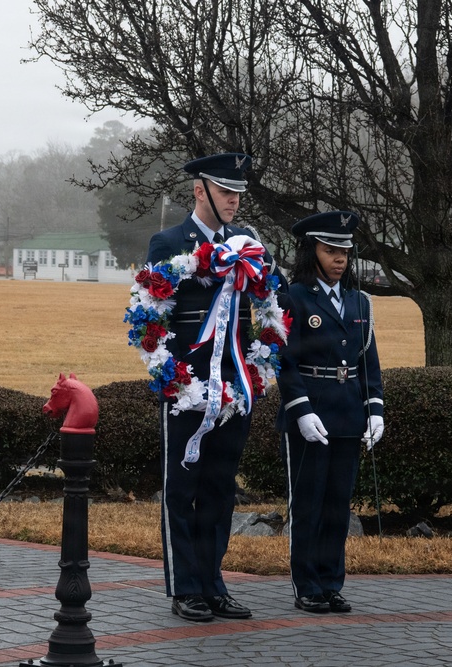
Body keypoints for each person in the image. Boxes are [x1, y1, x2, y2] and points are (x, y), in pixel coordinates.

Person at [143, 152, 285, 623]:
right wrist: (172, 377)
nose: (234, 200)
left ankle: (213, 582)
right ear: (199, 190)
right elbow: (153, 315)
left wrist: (257, 368)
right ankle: (185, 587)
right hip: (186, 386)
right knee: (182, 487)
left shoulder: (246, 247)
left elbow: (267, 306)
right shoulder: (168, 243)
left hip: (234, 387)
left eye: (239, 192)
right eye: (225, 190)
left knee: (221, 489)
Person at [275, 210, 384, 614]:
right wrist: (300, 409)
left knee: (338, 504)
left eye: (345, 251)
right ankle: (307, 585)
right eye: (330, 250)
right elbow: (282, 360)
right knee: (309, 504)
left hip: (347, 413)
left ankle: (330, 582)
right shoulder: (294, 297)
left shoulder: (360, 302)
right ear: (311, 251)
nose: (339, 258)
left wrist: (375, 410)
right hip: (311, 414)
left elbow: (367, 361)